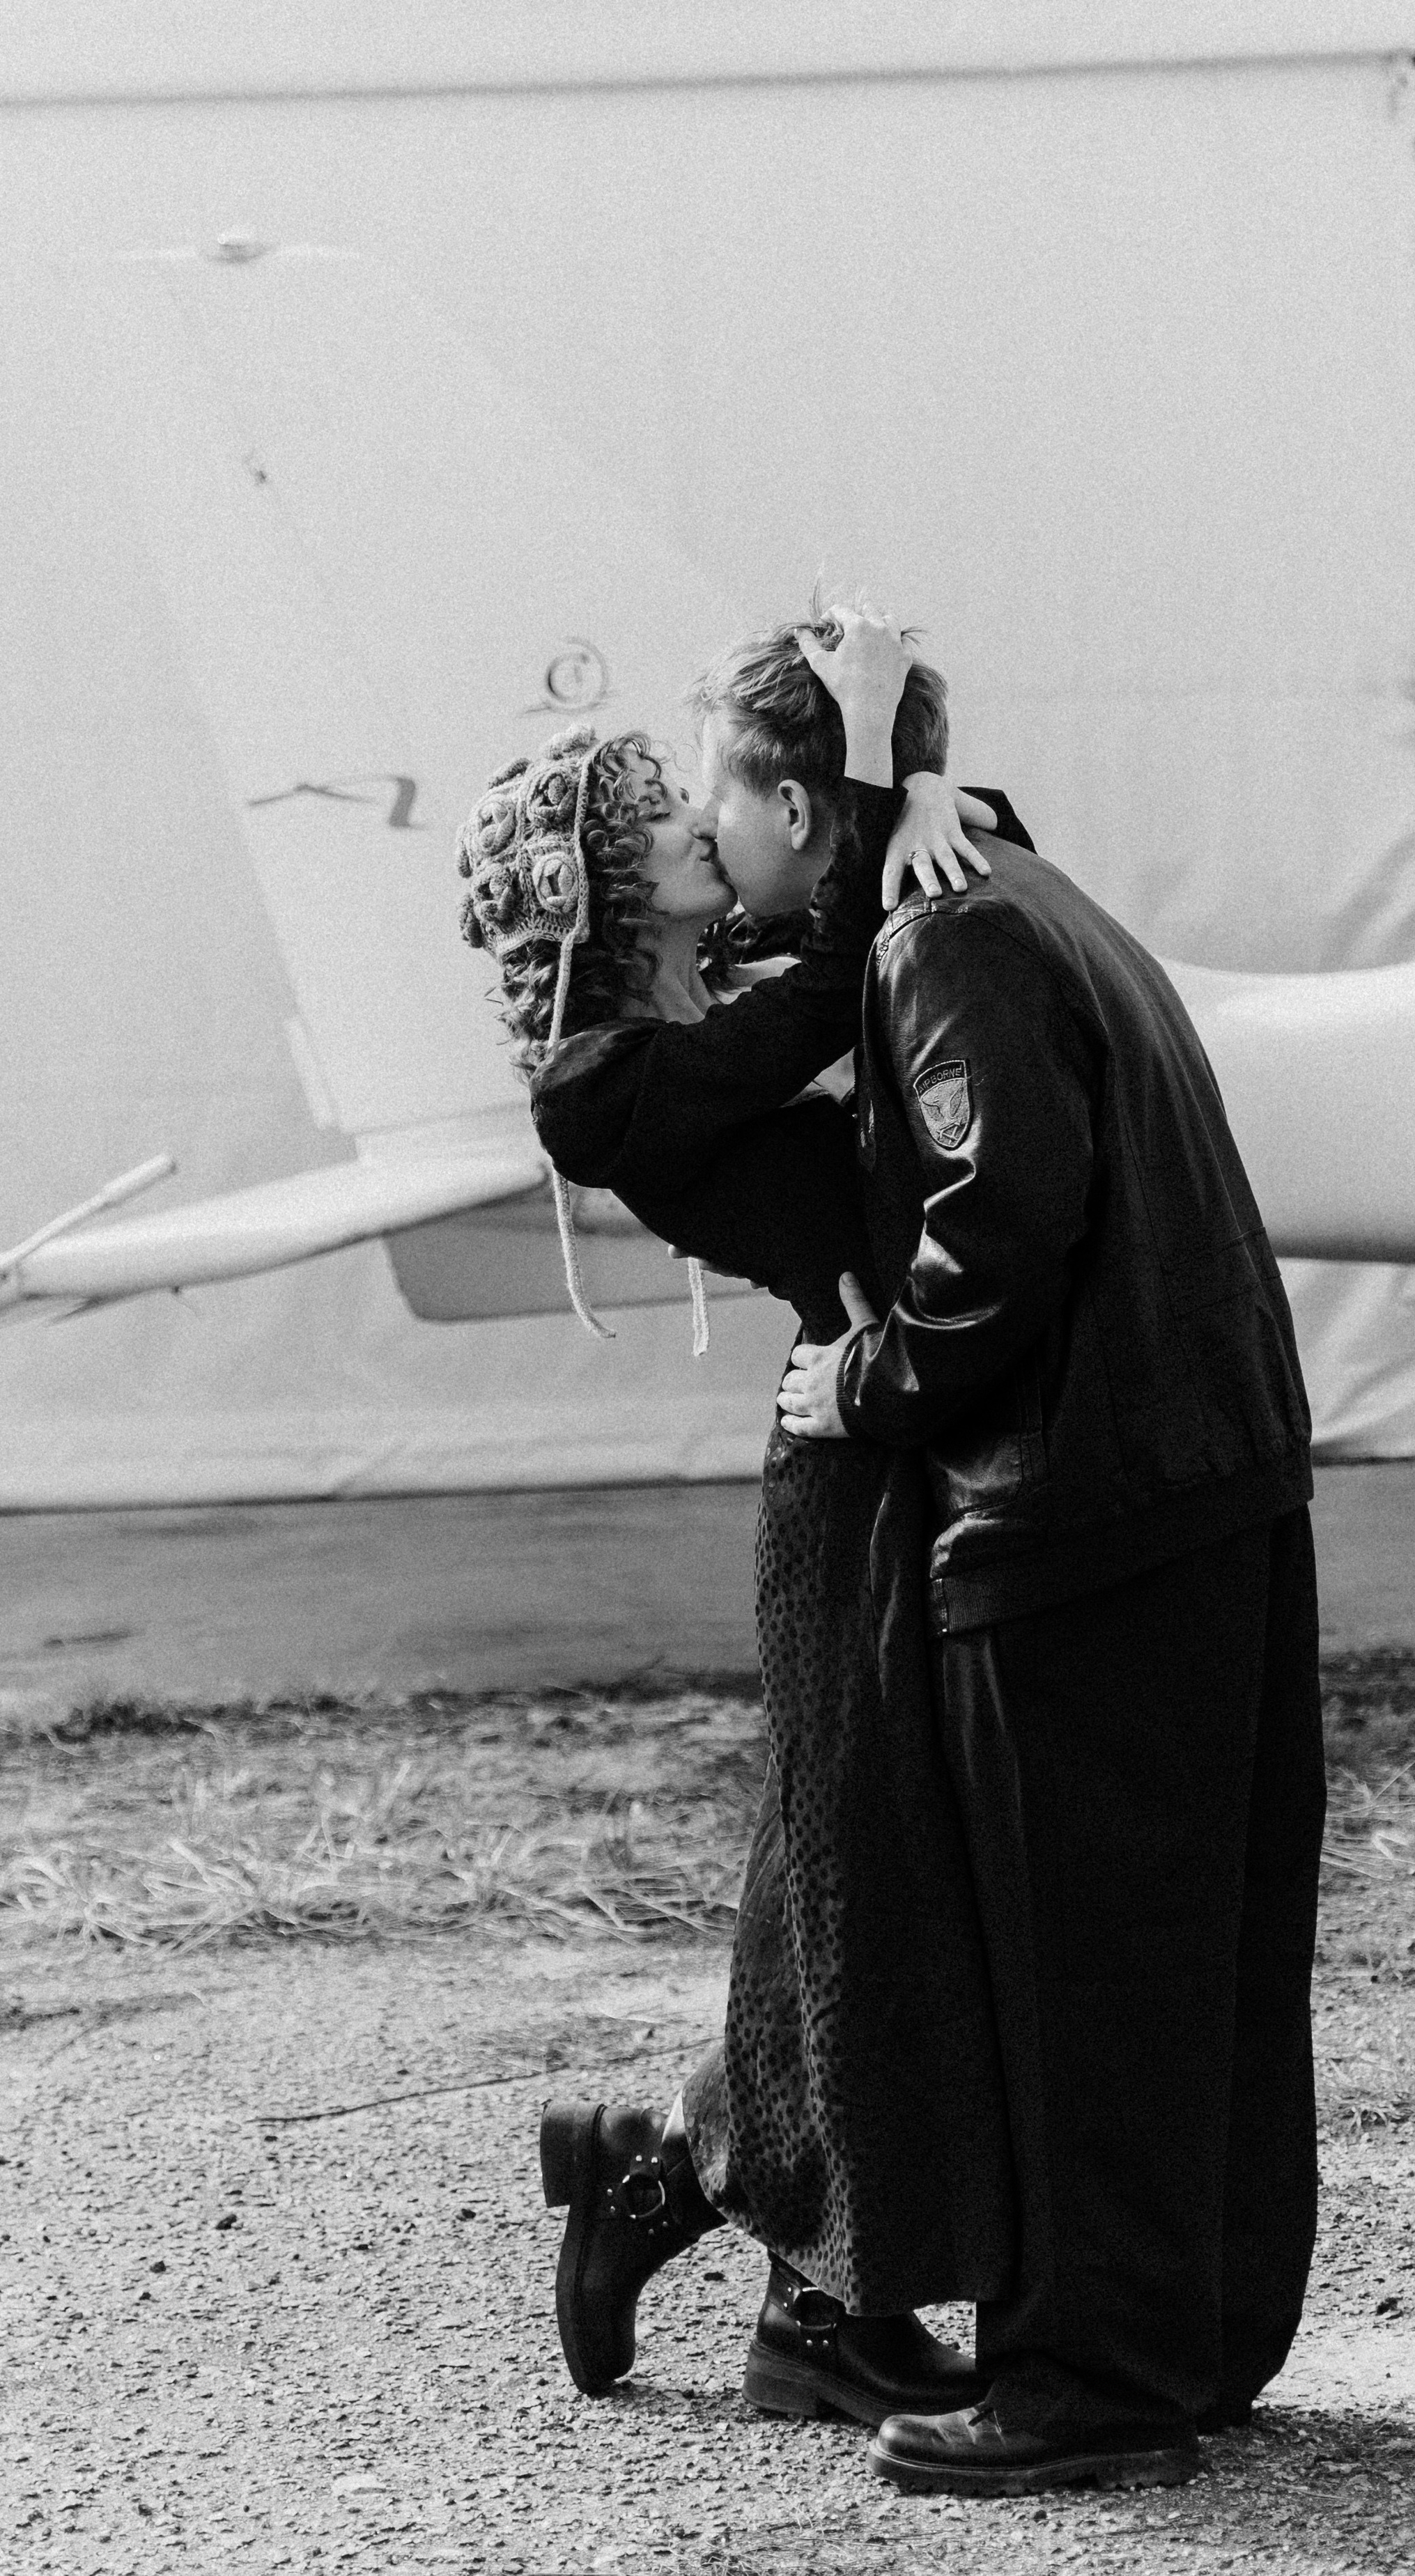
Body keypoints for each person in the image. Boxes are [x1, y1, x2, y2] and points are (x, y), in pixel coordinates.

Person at [709, 625, 1331, 2499]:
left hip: (1083, 1521)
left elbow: (1003, 1212)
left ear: (795, 804)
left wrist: (867, 1382)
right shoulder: (1028, 891)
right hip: (1217, 1481)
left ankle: (1093, 2379)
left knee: (1088, 1970)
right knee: (1210, 1950)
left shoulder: (936, 939)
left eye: (720, 790)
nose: (708, 831)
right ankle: (1202, 2334)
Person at [456, 607, 1026, 2430]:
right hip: (840, 1465)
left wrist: (917, 786)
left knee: (854, 1877)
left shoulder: (754, 958)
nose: (706, 821)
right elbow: (839, 977)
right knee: (851, 1880)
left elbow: (933, 886)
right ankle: (786, 2276)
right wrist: (868, 774)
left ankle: (687, 2197)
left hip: (893, 1421)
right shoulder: (604, 1085)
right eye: (665, 817)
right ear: (608, 892)